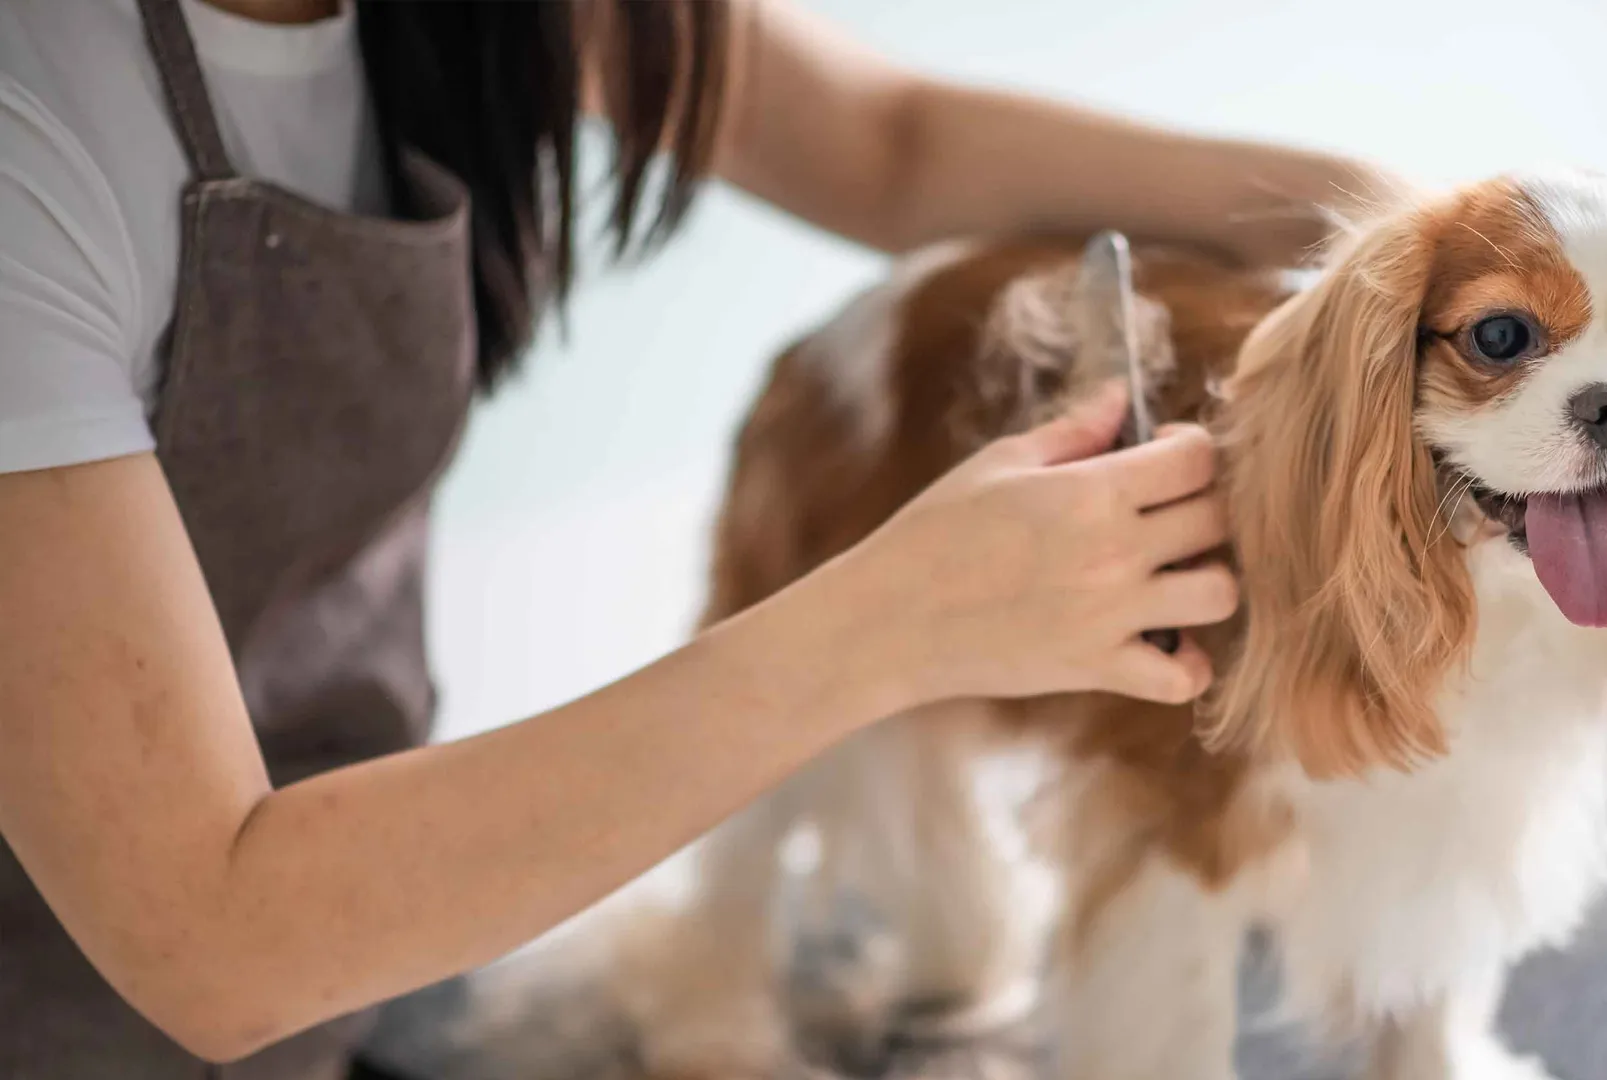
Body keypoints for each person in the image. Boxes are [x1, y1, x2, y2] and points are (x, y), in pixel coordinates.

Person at [0, 0, 1401, 1076]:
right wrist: (898, 621)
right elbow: (213, 935)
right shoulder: (36, 129)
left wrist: (1387, 230)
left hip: (381, 941)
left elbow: (883, 144)